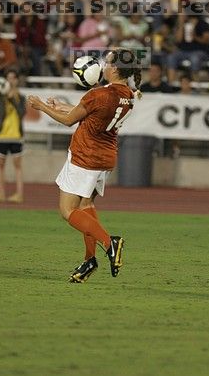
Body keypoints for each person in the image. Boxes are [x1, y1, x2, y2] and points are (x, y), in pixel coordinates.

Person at [26, 49, 140, 282]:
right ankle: (90, 260)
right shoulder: (127, 94)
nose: (103, 65)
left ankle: (110, 243)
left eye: (107, 62)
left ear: (115, 69)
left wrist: (41, 106)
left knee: (68, 211)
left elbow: (70, 121)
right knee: (86, 205)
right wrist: (61, 105)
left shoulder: (98, 94)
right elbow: (87, 115)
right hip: (104, 158)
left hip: (84, 156)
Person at [0, 70, 25, 203]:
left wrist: (12, 99)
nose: (10, 81)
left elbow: (21, 114)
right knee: (0, 165)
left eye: (12, 78)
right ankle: (1, 193)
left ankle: (19, 194)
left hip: (16, 135)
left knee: (17, 165)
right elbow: (1, 115)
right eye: (8, 78)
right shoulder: (0, 97)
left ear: (16, 80)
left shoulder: (20, 97)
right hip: (2, 135)